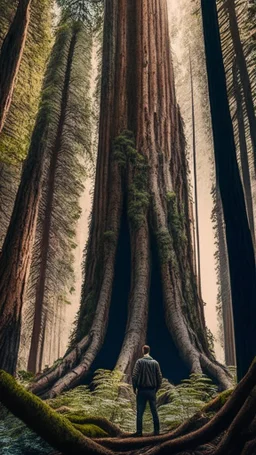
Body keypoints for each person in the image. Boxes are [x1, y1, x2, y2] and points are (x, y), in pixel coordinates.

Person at [132, 345, 162, 436]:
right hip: (152, 391)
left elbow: (134, 376)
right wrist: (156, 389)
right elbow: (159, 377)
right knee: (154, 411)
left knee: (140, 412)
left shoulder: (139, 362)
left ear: (142, 351)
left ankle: (139, 432)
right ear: (149, 351)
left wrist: (135, 387)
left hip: (141, 391)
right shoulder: (155, 363)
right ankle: (156, 432)